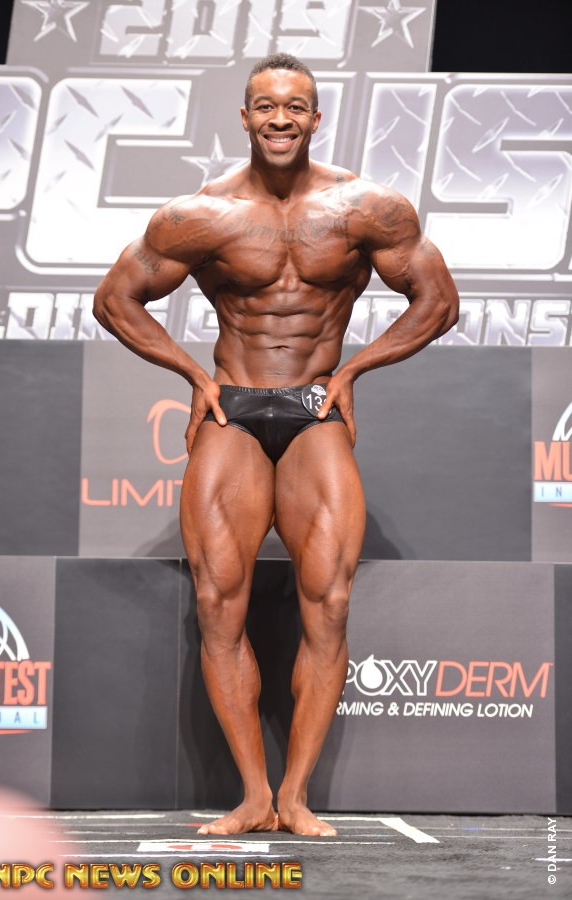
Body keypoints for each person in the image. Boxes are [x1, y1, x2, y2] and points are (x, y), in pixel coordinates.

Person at [93, 53, 459, 837]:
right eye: (266, 106)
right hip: (232, 406)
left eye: (295, 106)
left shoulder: (366, 207)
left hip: (313, 405)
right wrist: (193, 375)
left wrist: (355, 368)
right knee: (216, 603)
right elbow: (116, 300)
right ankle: (253, 796)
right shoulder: (202, 214)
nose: (281, 118)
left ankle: (295, 796)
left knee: (329, 602)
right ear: (246, 117)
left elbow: (437, 301)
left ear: (316, 117)